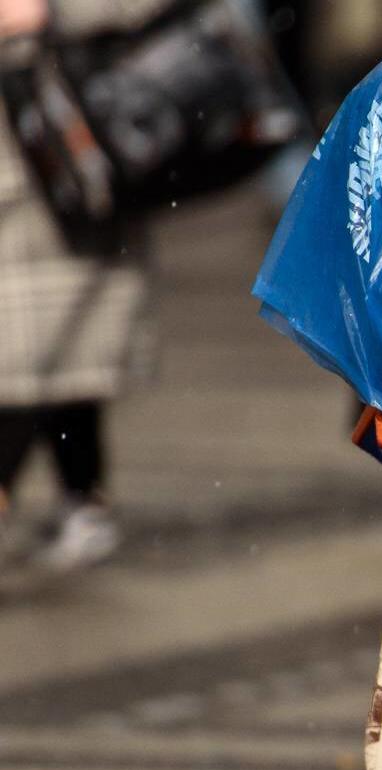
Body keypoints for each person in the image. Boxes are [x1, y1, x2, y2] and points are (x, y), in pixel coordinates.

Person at [0, 0, 164, 570]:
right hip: (31, 159)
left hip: (64, 154)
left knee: (42, 353)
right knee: (46, 358)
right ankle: (83, 498)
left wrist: (51, 11)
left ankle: (79, 500)